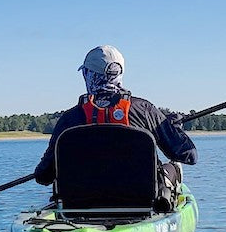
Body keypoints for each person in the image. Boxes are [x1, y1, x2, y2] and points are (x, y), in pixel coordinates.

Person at [34, 45, 197, 210]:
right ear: (119, 74)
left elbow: (43, 176)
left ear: (87, 75)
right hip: (139, 203)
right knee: (174, 166)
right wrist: (173, 129)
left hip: (79, 206)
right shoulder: (144, 110)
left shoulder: (69, 119)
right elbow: (188, 155)